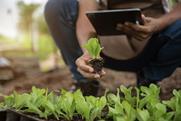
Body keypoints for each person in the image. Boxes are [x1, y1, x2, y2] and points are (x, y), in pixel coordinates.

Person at [44, 0, 181, 95]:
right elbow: (86, 11)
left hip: (157, 40)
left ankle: (149, 80)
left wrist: (158, 24)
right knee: (58, 5)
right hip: (108, 43)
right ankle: (85, 82)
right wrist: (89, 52)